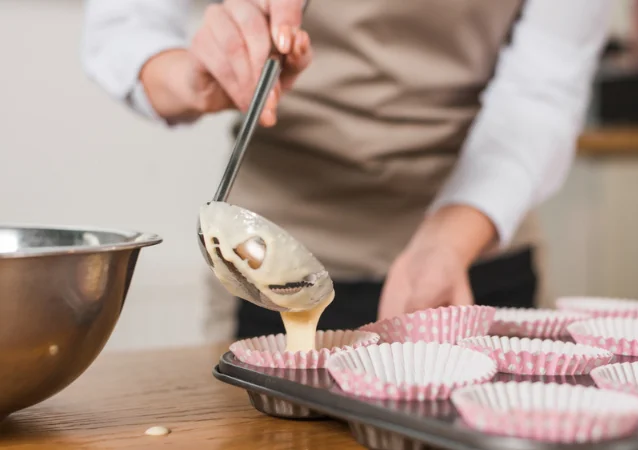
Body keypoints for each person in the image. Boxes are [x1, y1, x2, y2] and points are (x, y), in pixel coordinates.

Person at [82, 0, 610, 339]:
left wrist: (448, 239)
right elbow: (127, 24)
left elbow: (543, 88)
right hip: (271, 266)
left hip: (477, 250)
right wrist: (192, 77)